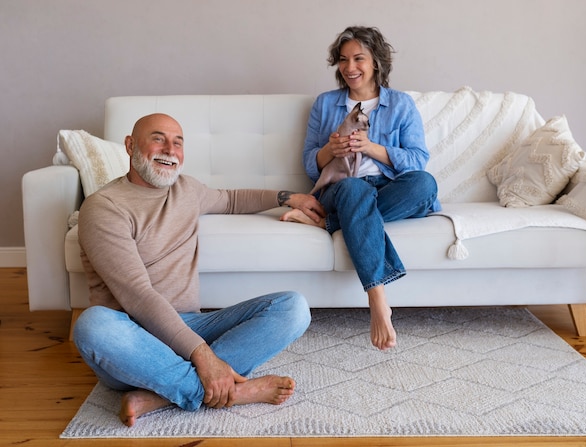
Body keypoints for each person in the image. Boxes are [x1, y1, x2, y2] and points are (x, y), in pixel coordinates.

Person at [73, 113, 324, 427]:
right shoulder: (104, 207)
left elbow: (232, 199)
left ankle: (164, 394)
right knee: (92, 325)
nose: (170, 149)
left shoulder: (186, 190)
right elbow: (137, 297)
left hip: (191, 324)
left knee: (293, 308)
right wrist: (203, 356)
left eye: (178, 142)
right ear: (130, 145)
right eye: (158, 138)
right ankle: (234, 392)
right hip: (136, 339)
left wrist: (289, 197)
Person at [281, 26, 440, 351]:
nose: (349, 67)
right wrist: (330, 151)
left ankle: (328, 221)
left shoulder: (401, 104)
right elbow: (310, 162)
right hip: (342, 189)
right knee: (355, 189)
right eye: (343, 60)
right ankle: (378, 297)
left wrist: (372, 148)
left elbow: (417, 161)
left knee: (425, 185)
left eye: (358, 58)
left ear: (377, 61)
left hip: (387, 188)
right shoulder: (326, 104)